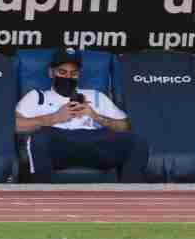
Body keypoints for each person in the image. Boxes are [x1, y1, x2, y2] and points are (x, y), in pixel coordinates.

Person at [14, 49, 149, 183]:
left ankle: (127, 198)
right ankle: (44, 197)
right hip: (59, 145)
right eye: (62, 72)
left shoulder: (96, 96)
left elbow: (125, 126)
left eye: (73, 73)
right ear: (51, 72)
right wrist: (53, 118)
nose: (68, 77)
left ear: (79, 75)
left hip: (95, 144)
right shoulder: (37, 96)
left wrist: (96, 117)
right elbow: (15, 125)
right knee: (39, 139)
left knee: (137, 142)